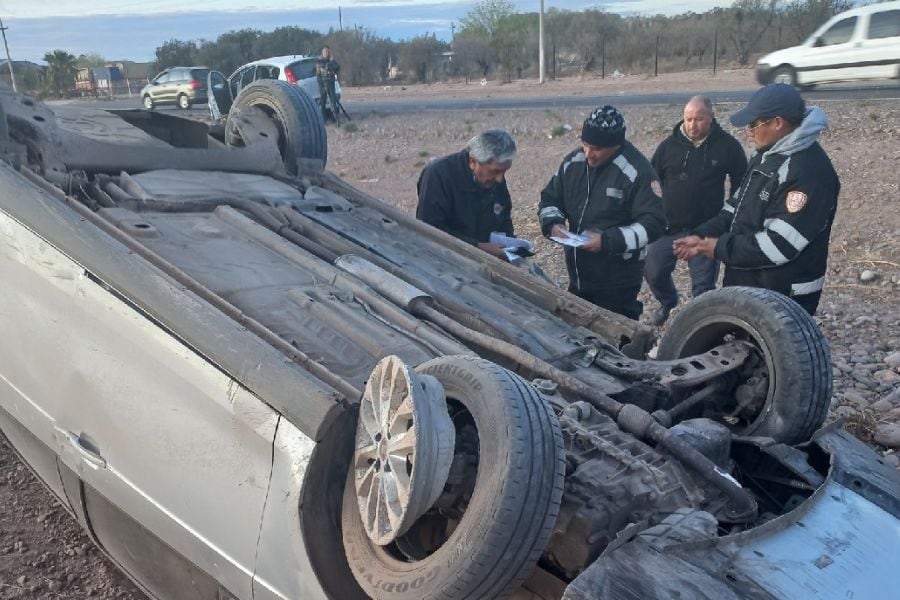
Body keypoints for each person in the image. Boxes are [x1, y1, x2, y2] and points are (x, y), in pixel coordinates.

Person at [673, 83, 840, 316]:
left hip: (782, 295)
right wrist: (702, 234)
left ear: (778, 123)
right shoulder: (765, 155)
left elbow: (779, 245)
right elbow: (735, 206)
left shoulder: (808, 172)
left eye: (754, 124)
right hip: (747, 283)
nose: (749, 131)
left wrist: (719, 247)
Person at [538, 105, 666, 320]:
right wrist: (553, 223)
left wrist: (606, 241)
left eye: (596, 148)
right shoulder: (573, 162)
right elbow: (550, 198)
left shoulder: (637, 171)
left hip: (617, 283)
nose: (589, 154)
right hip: (579, 276)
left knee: (616, 338)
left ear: (616, 145)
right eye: (585, 145)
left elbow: (654, 224)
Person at [644, 96, 748, 326]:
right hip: (668, 227)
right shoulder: (668, 146)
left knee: (703, 287)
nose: (692, 125)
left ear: (711, 117)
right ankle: (667, 301)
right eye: (688, 119)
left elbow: (742, 180)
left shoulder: (727, 145)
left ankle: (697, 326)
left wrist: (729, 215)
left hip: (705, 229)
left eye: (699, 119)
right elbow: (651, 181)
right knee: (653, 270)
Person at [416, 128, 517, 260]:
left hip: (488, 258)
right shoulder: (438, 175)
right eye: (495, 171)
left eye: (504, 172)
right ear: (472, 162)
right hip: (444, 259)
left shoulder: (494, 180)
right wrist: (478, 247)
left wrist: (512, 245)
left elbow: (503, 219)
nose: (500, 179)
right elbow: (429, 230)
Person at [315, 45, 340, 122]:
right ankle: (323, 119)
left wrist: (332, 61)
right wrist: (322, 84)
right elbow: (317, 74)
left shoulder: (331, 60)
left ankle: (335, 118)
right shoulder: (319, 61)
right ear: (322, 52)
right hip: (322, 84)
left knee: (333, 100)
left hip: (331, 83)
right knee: (323, 102)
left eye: (328, 52)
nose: (327, 53)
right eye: (326, 52)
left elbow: (337, 68)